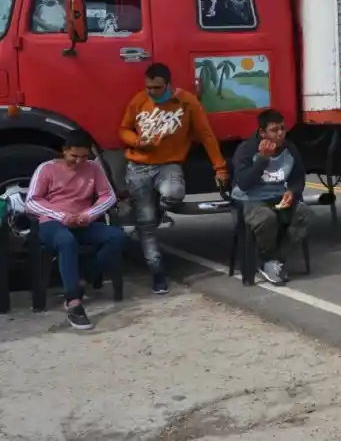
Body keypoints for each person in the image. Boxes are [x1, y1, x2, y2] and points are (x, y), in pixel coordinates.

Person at [119, 63, 229, 294]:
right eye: (148, 87)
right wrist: (138, 142)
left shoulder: (187, 102)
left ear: (168, 84)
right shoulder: (139, 100)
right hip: (138, 166)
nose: (152, 92)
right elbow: (124, 129)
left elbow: (206, 135)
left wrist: (220, 167)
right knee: (147, 224)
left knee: (173, 195)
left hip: (169, 165)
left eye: (157, 87)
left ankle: (155, 213)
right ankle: (157, 273)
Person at [24, 131, 128, 330]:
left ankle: (82, 278)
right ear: (64, 151)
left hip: (82, 222)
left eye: (84, 156)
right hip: (52, 223)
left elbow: (108, 196)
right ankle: (73, 302)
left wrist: (88, 214)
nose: (80, 161)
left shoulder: (94, 168)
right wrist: (61, 216)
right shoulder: (46, 169)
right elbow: (31, 202)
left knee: (117, 237)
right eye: (74, 156)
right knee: (66, 240)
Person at [231, 109, 311, 285]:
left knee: (303, 213)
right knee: (266, 218)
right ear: (262, 132)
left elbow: (298, 178)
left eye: (282, 128)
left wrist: (292, 191)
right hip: (250, 198)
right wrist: (261, 159)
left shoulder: (290, 149)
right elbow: (243, 183)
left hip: (277, 196)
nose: (280, 133)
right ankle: (269, 260)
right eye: (274, 130)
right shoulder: (246, 150)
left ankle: (275, 260)